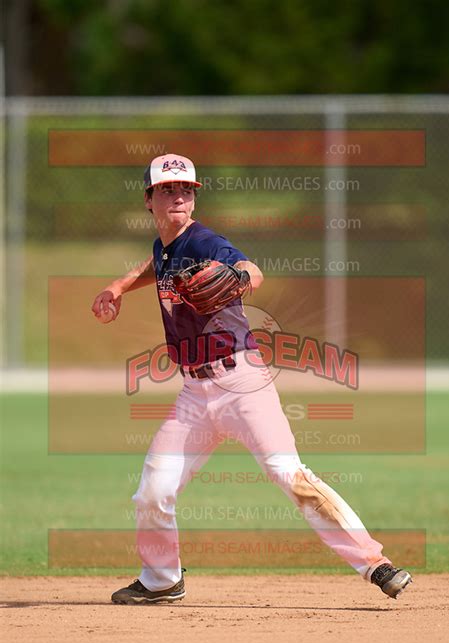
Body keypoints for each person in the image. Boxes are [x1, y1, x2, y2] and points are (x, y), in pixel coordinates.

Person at [91, 153, 412, 604]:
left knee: (289, 474)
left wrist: (236, 278)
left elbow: (250, 270)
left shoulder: (203, 240)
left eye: (185, 189)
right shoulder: (166, 247)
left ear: (194, 198)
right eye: (166, 189)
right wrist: (118, 287)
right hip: (194, 395)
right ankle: (162, 580)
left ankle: (376, 564)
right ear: (149, 200)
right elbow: (154, 266)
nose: (178, 196)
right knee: (152, 492)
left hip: (242, 382)